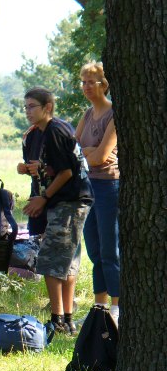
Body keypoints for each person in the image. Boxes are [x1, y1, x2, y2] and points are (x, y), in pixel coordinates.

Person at [21, 87, 94, 334]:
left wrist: (44, 198)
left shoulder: (56, 130)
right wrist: (30, 169)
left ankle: (58, 319)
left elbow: (67, 172)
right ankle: (66, 318)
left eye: (32, 106)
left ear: (48, 107)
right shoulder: (35, 134)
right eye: (26, 107)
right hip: (60, 200)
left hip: (70, 199)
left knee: (52, 258)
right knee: (66, 258)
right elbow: (49, 168)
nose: (28, 111)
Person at [75, 62, 120, 325]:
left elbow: (102, 157)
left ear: (104, 84)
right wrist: (88, 152)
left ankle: (117, 307)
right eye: (83, 82)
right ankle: (99, 307)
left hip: (109, 186)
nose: (86, 87)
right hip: (87, 186)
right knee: (94, 249)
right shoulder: (87, 114)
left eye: (91, 82)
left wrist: (88, 153)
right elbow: (72, 152)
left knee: (110, 250)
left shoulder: (114, 114)